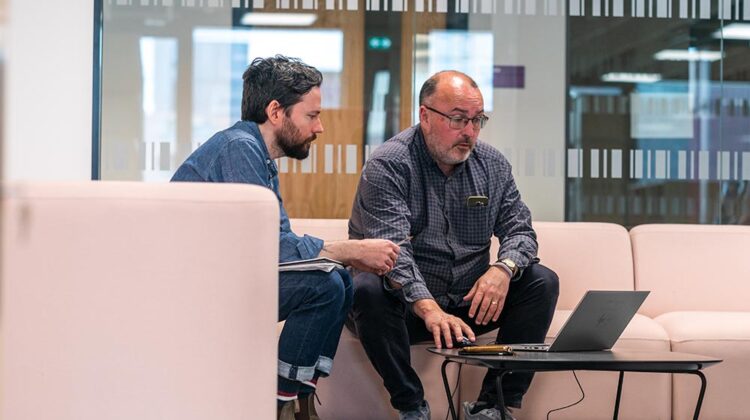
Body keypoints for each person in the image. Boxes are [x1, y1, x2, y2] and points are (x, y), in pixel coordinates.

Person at [171, 55, 400, 420]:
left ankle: (299, 398)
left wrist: (340, 258)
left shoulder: (257, 154)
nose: (320, 127)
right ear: (276, 111)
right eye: (312, 115)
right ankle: (276, 404)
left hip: (224, 281)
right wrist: (349, 250)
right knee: (325, 283)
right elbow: (274, 248)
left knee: (337, 278)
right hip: (195, 290)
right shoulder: (238, 148)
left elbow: (275, 242)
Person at [348, 70, 559, 420]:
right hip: (405, 309)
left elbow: (522, 232)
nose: (470, 132)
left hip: (467, 305)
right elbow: (392, 254)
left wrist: (502, 269)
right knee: (366, 287)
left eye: (478, 120)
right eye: (458, 119)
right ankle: (411, 406)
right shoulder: (389, 165)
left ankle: (492, 407)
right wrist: (430, 310)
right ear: (425, 116)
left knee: (542, 280)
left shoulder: (492, 166)